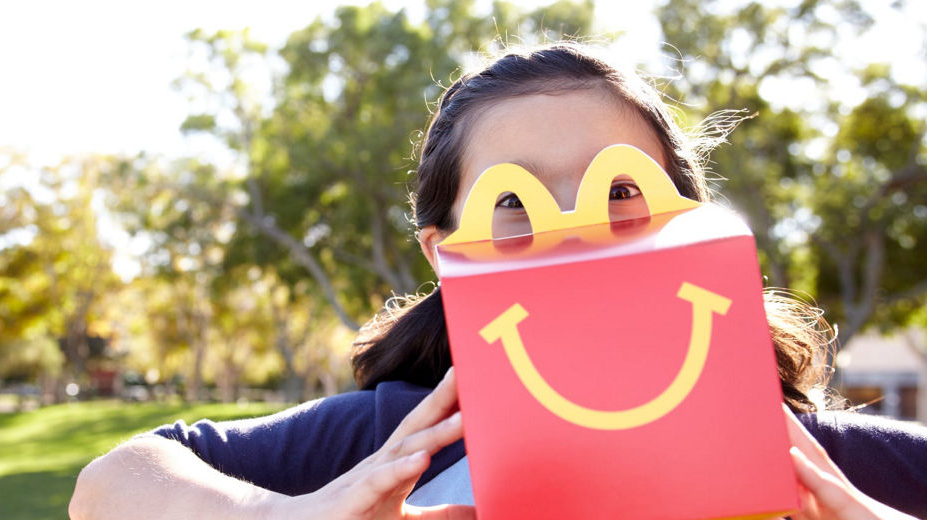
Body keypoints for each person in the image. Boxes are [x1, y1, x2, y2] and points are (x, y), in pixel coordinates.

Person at [69, 42, 927, 519]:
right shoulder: (404, 440)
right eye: (515, 203)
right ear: (445, 252)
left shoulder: (816, 463)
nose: (575, 234)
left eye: (620, 191)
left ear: (690, 218)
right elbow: (113, 482)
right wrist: (286, 517)